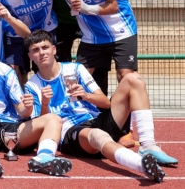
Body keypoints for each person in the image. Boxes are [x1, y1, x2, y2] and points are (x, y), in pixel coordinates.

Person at [24, 30, 177, 183]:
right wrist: (45, 102)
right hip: (72, 131)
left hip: (96, 119)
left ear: (54, 49)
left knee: (133, 78)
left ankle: (148, 145)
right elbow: (42, 125)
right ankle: (141, 165)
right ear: (30, 56)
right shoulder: (32, 85)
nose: (42, 53)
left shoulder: (75, 69)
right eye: (35, 50)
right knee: (97, 134)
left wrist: (86, 95)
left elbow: (105, 102)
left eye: (45, 47)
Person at [0, 26, 72, 179]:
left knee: (54, 119)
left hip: (11, 127)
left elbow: (23, 112)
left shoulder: (6, 71)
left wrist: (28, 106)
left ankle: (44, 159)